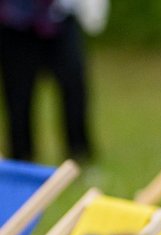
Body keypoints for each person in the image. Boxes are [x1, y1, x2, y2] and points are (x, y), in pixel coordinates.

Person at [0, 0, 93, 162]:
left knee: (74, 85)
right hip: (16, 21)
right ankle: (21, 159)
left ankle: (79, 154)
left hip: (60, 16)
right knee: (18, 95)